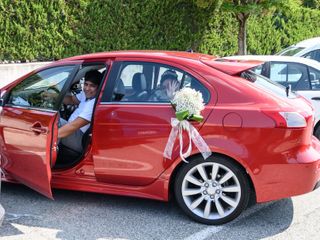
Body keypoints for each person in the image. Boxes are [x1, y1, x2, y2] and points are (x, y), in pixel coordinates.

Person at [45, 70, 102, 153]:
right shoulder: (86, 94)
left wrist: (49, 136)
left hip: (80, 139)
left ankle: (48, 156)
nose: (87, 88)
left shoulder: (94, 104)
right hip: (73, 130)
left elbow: (74, 126)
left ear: (99, 87)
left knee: (55, 123)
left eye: (92, 86)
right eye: (86, 84)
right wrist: (54, 96)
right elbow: (71, 100)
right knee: (55, 121)